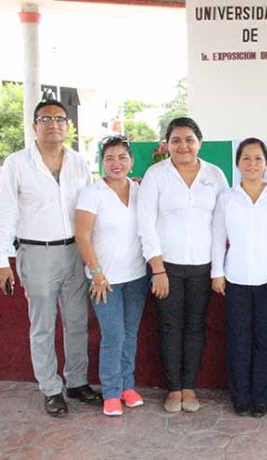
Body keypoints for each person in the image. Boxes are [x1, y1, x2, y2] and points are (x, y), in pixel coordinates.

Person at [0, 99, 101, 417]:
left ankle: (77, 382)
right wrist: (1, 260)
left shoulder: (79, 163)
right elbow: (5, 214)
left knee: (78, 321)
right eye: (46, 118)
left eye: (60, 119)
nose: (54, 124)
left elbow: (91, 207)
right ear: (34, 125)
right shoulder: (17, 163)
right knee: (43, 325)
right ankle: (51, 389)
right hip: (36, 253)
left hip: (74, 252)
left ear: (68, 126)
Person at [138, 117, 229, 413]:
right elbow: (146, 224)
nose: (183, 145)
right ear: (167, 144)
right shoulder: (156, 174)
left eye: (189, 139)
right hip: (168, 267)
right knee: (168, 326)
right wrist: (158, 268)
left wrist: (218, 269)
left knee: (195, 327)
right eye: (176, 140)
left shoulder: (215, 175)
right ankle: (173, 387)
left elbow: (221, 226)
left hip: (202, 268)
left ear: (199, 142)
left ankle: (189, 387)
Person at [210, 137, 267, 418]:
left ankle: (261, 398)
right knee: (238, 341)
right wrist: (217, 273)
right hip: (235, 280)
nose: (252, 164)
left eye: (258, 158)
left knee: (265, 342)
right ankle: (240, 397)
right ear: (238, 163)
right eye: (246, 158)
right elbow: (218, 237)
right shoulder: (227, 199)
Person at [75, 135, 148, 417]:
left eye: (122, 157)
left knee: (130, 334)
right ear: (101, 162)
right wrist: (96, 273)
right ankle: (111, 392)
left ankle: (127, 386)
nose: (116, 163)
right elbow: (82, 235)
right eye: (109, 158)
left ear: (130, 160)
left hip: (136, 277)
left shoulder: (140, 190)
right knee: (113, 335)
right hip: (104, 280)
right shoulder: (92, 192)